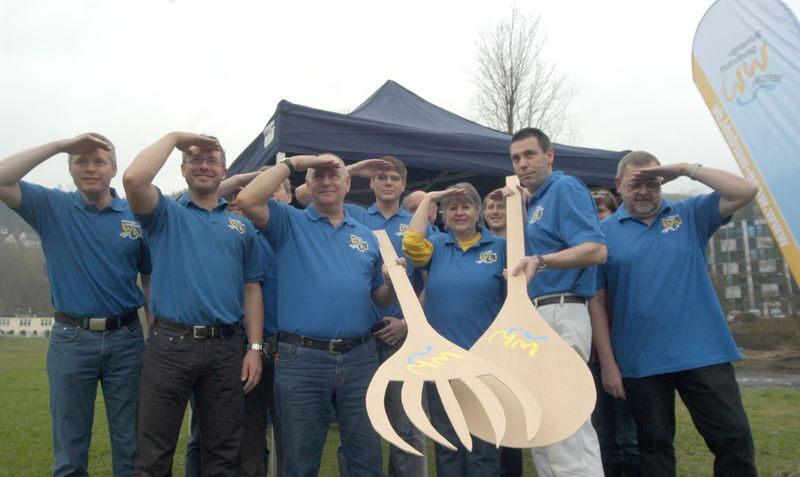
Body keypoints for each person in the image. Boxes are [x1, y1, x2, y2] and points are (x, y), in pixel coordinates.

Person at [592, 151, 758, 477]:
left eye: (652, 183)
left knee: (733, 438)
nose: (644, 191)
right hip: (641, 361)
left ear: (663, 183)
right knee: (653, 449)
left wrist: (686, 169)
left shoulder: (689, 214)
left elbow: (745, 191)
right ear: (618, 185)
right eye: (635, 183)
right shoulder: (602, 234)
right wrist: (609, 364)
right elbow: (596, 302)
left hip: (704, 352)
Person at [237, 154, 398, 477]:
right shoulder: (289, 222)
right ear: (307, 186)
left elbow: (379, 298)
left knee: (365, 457)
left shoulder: (366, 235)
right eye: (318, 176)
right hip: (303, 360)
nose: (326, 182)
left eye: (333, 175)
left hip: (361, 357)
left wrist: (393, 283)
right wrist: (295, 162)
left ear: (347, 184)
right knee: (300, 460)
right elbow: (247, 198)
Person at [0, 134, 151, 477]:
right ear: (70, 169)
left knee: (130, 445)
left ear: (114, 168)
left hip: (126, 339)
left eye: (99, 161)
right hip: (71, 339)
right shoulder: (51, 206)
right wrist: (58, 145)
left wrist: (153, 335)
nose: (90, 168)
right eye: (80, 161)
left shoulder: (137, 215)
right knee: (70, 451)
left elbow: (149, 280)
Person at [122, 132, 264, 476]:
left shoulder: (240, 227)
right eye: (195, 160)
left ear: (223, 171)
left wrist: (255, 348)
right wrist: (174, 138)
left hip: (227, 348)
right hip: (170, 346)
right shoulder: (163, 214)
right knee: (153, 453)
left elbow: (252, 290)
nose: (203, 166)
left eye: (211, 160)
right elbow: (133, 178)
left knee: (222, 453)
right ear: (183, 170)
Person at [507, 127, 607, 477]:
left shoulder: (564, 188)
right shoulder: (532, 203)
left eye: (530, 154)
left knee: (566, 420)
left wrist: (542, 260)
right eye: (516, 158)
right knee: (542, 421)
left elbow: (596, 249)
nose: (523, 164)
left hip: (563, 310)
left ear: (550, 156)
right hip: (537, 313)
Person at [183, 169, 291, 477]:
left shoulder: (295, 232)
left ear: (290, 196)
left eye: (273, 191)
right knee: (245, 440)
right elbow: (200, 197)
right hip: (241, 349)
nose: (265, 196)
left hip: (288, 348)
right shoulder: (237, 233)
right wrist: (253, 175)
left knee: (293, 441)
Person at [403, 182, 506, 477]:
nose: (459, 213)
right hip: (441, 363)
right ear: (444, 216)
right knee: (448, 448)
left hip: (484, 364)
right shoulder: (435, 246)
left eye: (466, 206)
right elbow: (411, 245)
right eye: (452, 208)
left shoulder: (500, 248)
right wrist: (431, 199)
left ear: (478, 213)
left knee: (483, 449)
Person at [587, 189, 640, 477]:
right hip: (591, 356)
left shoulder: (622, 263)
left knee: (629, 435)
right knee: (602, 432)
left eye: (602, 212)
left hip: (623, 354)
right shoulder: (583, 259)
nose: (597, 220)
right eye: (592, 214)